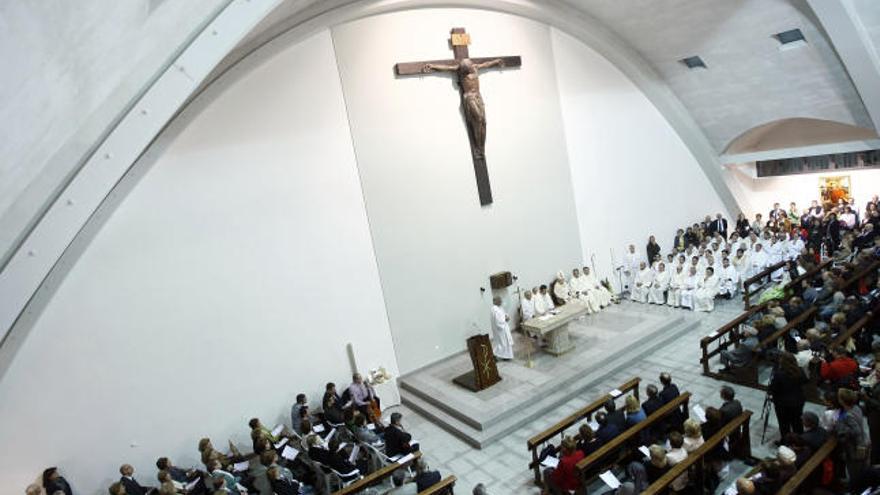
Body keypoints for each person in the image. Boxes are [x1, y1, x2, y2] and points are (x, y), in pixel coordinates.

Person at [769, 352, 807, 438]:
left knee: (784, 424)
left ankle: (786, 441)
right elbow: (805, 381)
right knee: (797, 422)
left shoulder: (779, 374)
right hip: (798, 401)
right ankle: (798, 440)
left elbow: (773, 389)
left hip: (783, 404)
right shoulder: (800, 370)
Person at [835, 388, 869, 482]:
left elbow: (856, 431)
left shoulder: (848, 415)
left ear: (842, 401)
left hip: (854, 447)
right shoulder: (856, 408)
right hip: (864, 441)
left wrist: (841, 429)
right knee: (862, 468)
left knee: (854, 472)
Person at [490, 296, 514, 361]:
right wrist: (505, 319)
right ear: (495, 301)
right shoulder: (495, 310)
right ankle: (495, 355)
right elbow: (498, 321)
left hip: (503, 329)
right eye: (499, 300)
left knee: (504, 343)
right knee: (502, 344)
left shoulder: (499, 308)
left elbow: (504, 314)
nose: (501, 302)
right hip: (501, 330)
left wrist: (506, 316)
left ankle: (506, 356)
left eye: (500, 300)